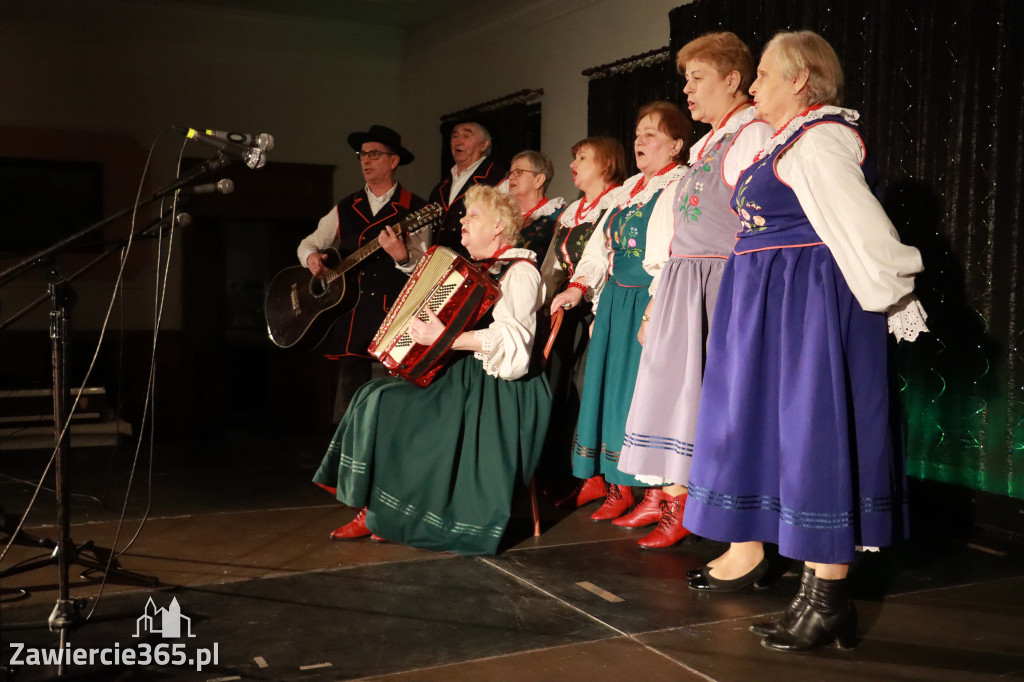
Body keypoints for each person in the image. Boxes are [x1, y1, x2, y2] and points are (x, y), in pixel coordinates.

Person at [681, 31, 928, 652]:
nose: (754, 84)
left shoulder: (821, 139)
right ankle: (811, 597)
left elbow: (860, 224)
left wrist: (895, 294)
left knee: (819, 434)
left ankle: (828, 601)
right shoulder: (785, 143)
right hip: (772, 301)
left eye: (764, 74)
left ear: (801, 79)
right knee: (781, 434)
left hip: (810, 303)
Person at [313, 185, 552, 556]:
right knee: (371, 393)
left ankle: (379, 512)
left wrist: (448, 337)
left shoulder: (520, 273)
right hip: (462, 377)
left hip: (494, 388)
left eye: (474, 216)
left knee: (386, 404)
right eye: (465, 214)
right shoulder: (478, 269)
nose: (463, 221)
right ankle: (375, 508)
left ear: (499, 228)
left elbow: (514, 349)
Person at [616, 33, 772, 549]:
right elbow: (684, 232)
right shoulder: (710, 143)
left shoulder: (750, 136)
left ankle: (720, 519)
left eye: (697, 78)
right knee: (681, 398)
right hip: (686, 282)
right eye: (685, 78)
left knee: (712, 402)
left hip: (720, 282)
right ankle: (680, 499)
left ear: (733, 80)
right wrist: (660, 299)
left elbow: (756, 224)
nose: (687, 89)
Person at [550, 102, 691, 522]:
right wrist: (579, 287)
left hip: (650, 298)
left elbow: (671, 252)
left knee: (640, 394)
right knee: (612, 393)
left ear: (677, 145)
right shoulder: (628, 190)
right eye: (638, 133)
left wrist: (654, 305)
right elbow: (598, 249)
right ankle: (618, 482)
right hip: (614, 299)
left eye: (651, 134)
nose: (640, 141)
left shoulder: (677, 185)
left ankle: (653, 492)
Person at [297, 125, 427, 422]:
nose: (366, 161)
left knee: (391, 395)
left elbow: (424, 269)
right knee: (350, 397)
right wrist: (312, 258)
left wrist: (402, 257)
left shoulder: (415, 207)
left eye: (375, 154)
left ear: (394, 161)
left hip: (392, 315)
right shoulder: (346, 206)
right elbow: (309, 243)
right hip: (351, 313)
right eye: (362, 155)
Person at [538, 137, 627, 508]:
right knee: (562, 389)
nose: (573, 164)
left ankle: (595, 475)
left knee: (589, 388)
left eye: (583, 157)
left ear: (606, 164)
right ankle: (565, 472)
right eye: (573, 157)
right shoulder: (572, 210)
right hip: (567, 310)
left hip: (597, 306)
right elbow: (552, 266)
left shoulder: (619, 201)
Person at [424, 120, 506, 257]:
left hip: (477, 269)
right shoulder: (440, 189)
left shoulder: (497, 180)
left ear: (484, 144)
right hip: (439, 269)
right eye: (455, 136)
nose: (458, 141)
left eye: (466, 136)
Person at [506, 150, 564, 263]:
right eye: (510, 173)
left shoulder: (558, 217)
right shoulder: (503, 217)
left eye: (518, 172)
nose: (511, 178)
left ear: (538, 180)